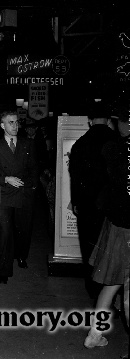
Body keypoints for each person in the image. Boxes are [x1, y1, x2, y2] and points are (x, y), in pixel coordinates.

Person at [83, 103, 130, 350]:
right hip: (125, 226)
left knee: (111, 283)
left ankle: (94, 333)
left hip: (116, 225)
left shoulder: (113, 150)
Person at [69, 100, 118, 299]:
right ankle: (111, 293)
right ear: (107, 121)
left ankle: (94, 291)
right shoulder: (117, 141)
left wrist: (76, 201)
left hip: (88, 206)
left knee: (89, 248)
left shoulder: (80, 143)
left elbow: (75, 176)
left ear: (89, 121)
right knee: (111, 250)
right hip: (112, 207)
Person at [0, 111, 38, 284]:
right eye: (10, 123)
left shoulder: (28, 144)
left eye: (17, 122)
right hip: (4, 194)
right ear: (2, 125)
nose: (15, 126)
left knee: (23, 229)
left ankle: (21, 256)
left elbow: (34, 168)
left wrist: (31, 186)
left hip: (24, 193)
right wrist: (6, 179)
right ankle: (4, 271)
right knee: (4, 233)